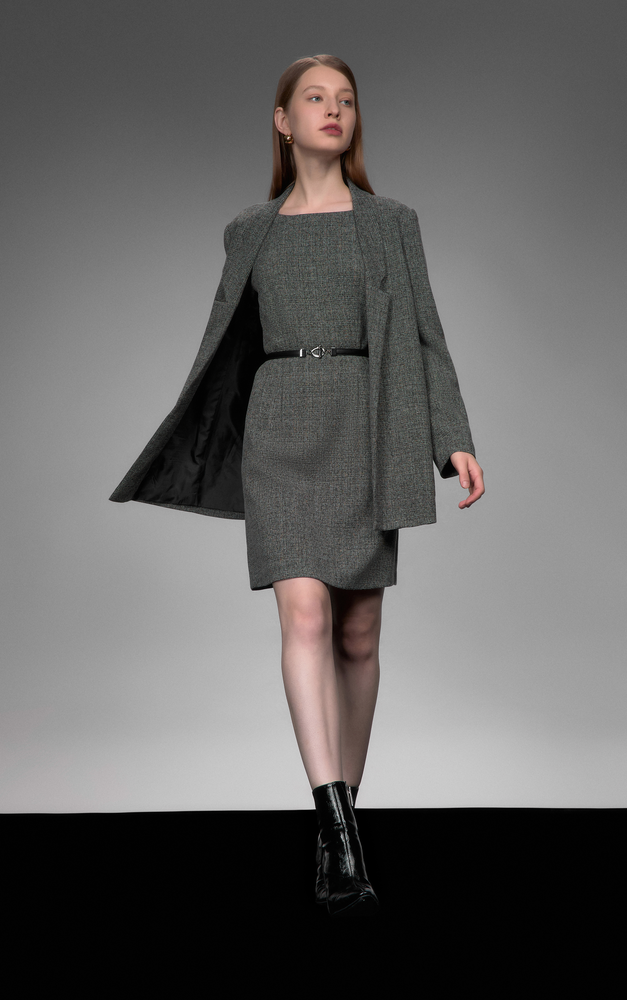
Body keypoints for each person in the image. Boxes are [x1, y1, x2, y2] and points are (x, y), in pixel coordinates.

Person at [109, 54, 484, 918]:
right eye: (315, 98)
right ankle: (343, 837)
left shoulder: (392, 223)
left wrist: (453, 437)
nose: (333, 110)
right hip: (280, 428)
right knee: (305, 617)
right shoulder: (249, 231)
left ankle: (333, 828)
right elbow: (226, 344)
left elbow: (427, 336)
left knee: (358, 634)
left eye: (345, 99)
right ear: (283, 121)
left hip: (368, 425)